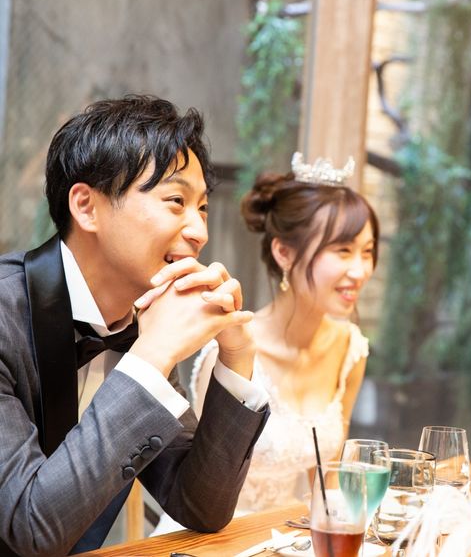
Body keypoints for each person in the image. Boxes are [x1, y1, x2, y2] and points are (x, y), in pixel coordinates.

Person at [0, 95, 270, 556]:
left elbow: (199, 504)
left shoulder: (142, 324)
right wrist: (151, 357)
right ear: (87, 207)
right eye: (175, 201)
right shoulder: (7, 317)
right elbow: (30, 529)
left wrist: (236, 357)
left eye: (202, 207)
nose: (200, 232)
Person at [153, 151, 379, 534]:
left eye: (368, 252)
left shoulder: (350, 349)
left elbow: (326, 482)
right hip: (209, 537)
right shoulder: (230, 351)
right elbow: (198, 485)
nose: (360, 271)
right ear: (284, 253)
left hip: (288, 538)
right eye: (343, 251)